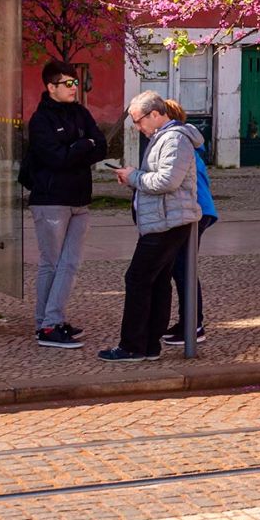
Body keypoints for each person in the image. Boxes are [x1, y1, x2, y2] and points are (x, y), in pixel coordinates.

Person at [101, 91, 201, 362]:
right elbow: (159, 176)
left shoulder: (174, 139)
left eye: (138, 121)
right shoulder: (164, 138)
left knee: (138, 279)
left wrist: (134, 177)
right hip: (163, 220)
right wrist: (134, 176)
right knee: (155, 281)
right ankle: (149, 345)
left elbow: (168, 181)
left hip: (167, 222)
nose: (137, 127)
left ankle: (133, 346)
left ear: (155, 115)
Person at [23, 61, 108, 349]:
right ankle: (46, 326)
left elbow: (102, 145)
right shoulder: (40, 121)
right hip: (51, 200)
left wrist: (77, 148)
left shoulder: (81, 113)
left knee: (70, 264)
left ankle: (51, 321)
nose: (74, 87)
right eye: (67, 83)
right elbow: (56, 159)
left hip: (79, 199)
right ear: (51, 87)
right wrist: (82, 147)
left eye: (75, 82)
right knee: (52, 263)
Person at [162, 98, 216, 346]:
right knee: (181, 267)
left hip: (194, 211)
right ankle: (190, 322)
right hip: (198, 209)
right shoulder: (186, 143)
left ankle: (193, 325)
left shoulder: (178, 144)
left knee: (184, 267)